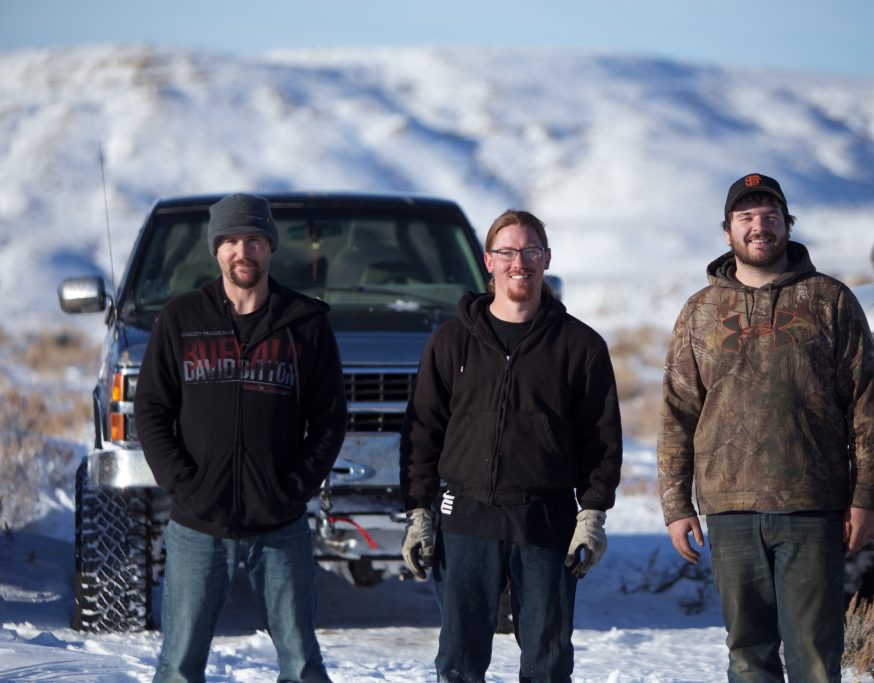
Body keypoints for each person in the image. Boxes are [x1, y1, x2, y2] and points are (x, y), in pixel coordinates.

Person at [657, 173, 874, 682]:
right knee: (748, 652)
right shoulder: (700, 311)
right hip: (729, 506)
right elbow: (677, 412)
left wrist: (866, 496)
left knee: (814, 654)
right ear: (727, 232)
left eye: (770, 217)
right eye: (746, 218)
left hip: (812, 504)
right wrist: (677, 504)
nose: (759, 227)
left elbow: (866, 407)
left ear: (787, 225)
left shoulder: (830, 300)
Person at [400, 209, 623, 682]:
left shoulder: (580, 346)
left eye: (529, 251)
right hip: (466, 517)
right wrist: (419, 512)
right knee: (458, 661)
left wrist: (593, 514)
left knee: (547, 660)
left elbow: (601, 439)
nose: (518, 262)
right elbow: (422, 433)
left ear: (546, 259)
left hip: (546, 520)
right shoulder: (450, 341)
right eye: (506, 252)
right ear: (488, 262)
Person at [135, 193, 348, 683]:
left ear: (270, 247)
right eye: (231, 241)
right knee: (179, 664)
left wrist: (294, 488)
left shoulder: (306, 323)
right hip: (197, 525)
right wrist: (182, 484)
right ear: (216, 251)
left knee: (300, 662)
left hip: (280, 526)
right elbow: (150, 408)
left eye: (253, 240)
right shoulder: (181, 319)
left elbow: (331, 419)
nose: (242, 251)